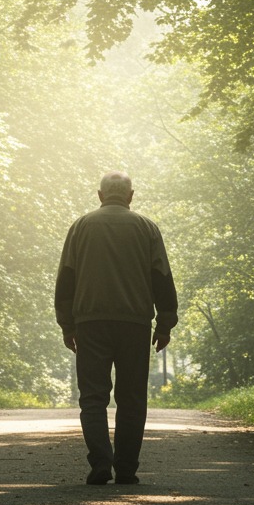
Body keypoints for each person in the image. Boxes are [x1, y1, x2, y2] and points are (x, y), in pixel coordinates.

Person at [54, 171, 178, 485]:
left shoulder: (81, 227)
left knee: (92, 397)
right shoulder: (147, 228)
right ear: (130, 196)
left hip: (90, 323)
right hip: (134, 324)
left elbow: (66, 279)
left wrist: (67, 325)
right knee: (132, 397)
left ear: (100, 195)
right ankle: (125, 468)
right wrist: (164, 323)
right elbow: (162, 278)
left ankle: (100, 463)